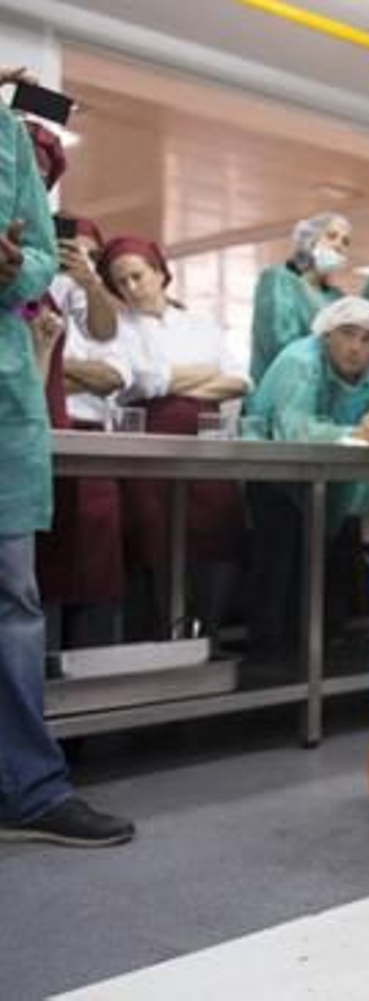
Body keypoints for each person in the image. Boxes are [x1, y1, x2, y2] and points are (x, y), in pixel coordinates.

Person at [0, 73, 135, 847]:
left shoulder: (10, 140)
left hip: (8, 399)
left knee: (14, 599)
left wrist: (17, 265)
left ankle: (28, 781)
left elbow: (34, 256)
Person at [102, 237, 252, 640]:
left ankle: (210, 634)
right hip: (148, 449)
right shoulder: (117, 329)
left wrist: (172, 386)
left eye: (137, 276)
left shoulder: (199, 324)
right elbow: (137, 383)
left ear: (160, 273)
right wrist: (198, 374)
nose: (131, 287)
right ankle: (161, 637)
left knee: (218, 534)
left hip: (206, 444)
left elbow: (239, 378)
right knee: (154, 542)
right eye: (121, 282)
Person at [246, 297, 369, 656]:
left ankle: (323, 654)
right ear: (326, 334)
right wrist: (361, 434)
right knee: (279, 567)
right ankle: (267, 660)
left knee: (332, 570)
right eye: (347, 334)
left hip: (337, 482)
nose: (356, 347)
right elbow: (295, 430)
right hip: (276, 474)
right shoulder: (300, 361)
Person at [38, 216, 130, 648]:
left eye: (93, 255)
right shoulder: (28, 286)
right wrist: (61, 370)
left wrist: (90, 283)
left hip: (88, 442)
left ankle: (85, 672)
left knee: (92, 569)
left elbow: (113, 367)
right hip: (35, 430)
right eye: (72, 249)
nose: (79, 259)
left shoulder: (83, 293)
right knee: (37, 567)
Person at [250, 212, 357, 383]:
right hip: (279, 393)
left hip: (322, 396)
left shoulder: (336, 297)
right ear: (310, 240)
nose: (339, 245)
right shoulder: (278, 280)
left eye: (345, 242)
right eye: (331, 236)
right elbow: (282, 345)